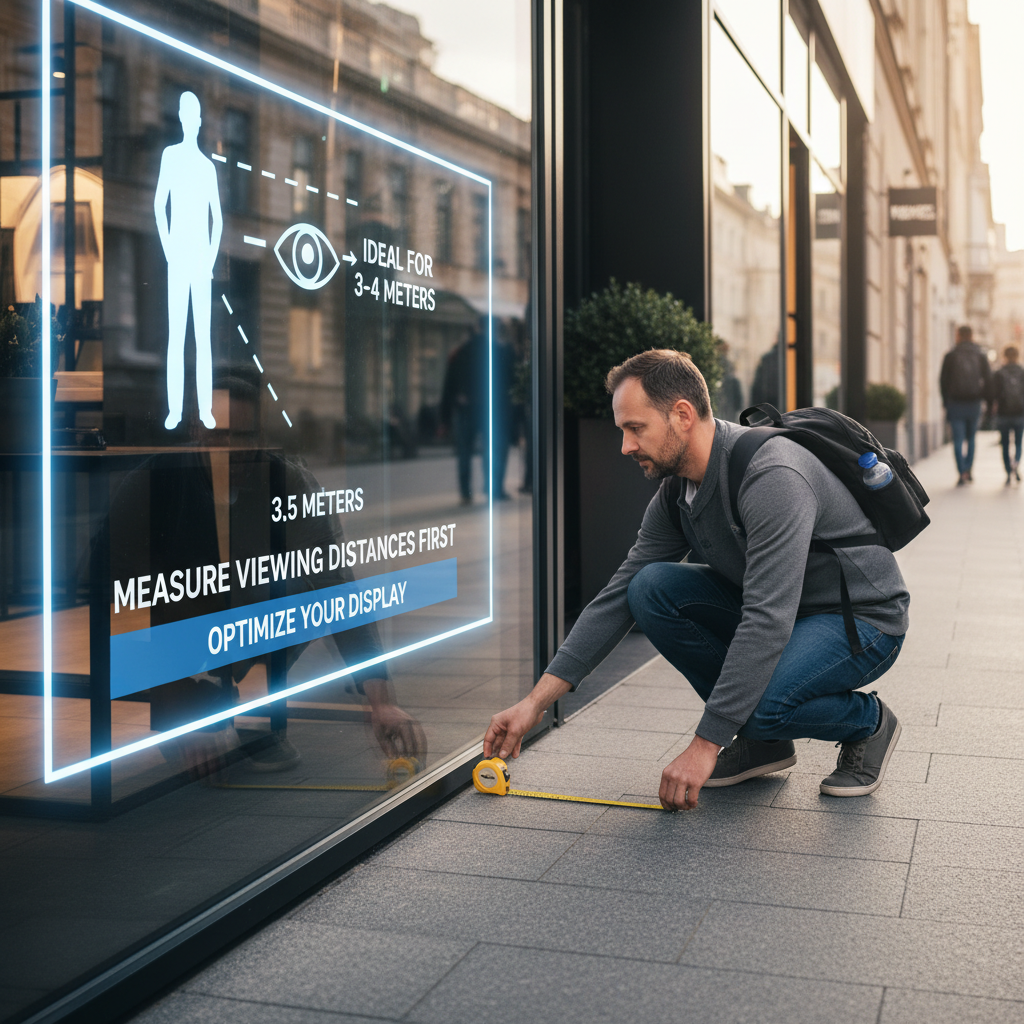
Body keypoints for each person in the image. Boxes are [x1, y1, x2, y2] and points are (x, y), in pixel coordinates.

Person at [484, 349, 910, 811]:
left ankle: (868, 723)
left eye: (635, 428)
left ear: (682, 415)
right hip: (787, 612)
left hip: (860, 620)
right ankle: (760, 741)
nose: (625, 446)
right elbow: (616, 597)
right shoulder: (677, 492)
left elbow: (767, 620)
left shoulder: (773, 476)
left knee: (766, 703)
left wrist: (706, 744)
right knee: (648, 588)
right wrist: (535, 702)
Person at [154, 91, 223, 431]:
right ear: (182, 118)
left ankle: (205, 409)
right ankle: (175, 411)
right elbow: (158, 205)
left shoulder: (207, 167)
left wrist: (208, 260)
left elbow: (218, 219)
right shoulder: (170, 157)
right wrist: (169, 251)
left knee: (202, 338)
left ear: (198, 121)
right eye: (186, 114)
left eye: (195, 116)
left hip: (198, 260)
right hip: (179, 257)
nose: (191, 121)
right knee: (176, 336)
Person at [939, 324, 992, 486]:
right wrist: (986, 401)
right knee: (971, 439)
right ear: (971, 335)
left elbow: (942, 380)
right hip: (974, 403)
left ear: (959, 336)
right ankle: (969, 470)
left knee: (958, 439)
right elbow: (988, 380)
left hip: (955, 403)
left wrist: (946, 401)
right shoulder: (980, 355)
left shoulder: (951, 355)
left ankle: (961, 471)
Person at [991, 345, 1024, 486]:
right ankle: (1016, 462)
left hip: (1003, 414)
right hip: (1020, 413)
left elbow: (993, 394)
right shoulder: (1022, 372)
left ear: (1005, 356)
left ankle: (1007, 470)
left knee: (1004, 444)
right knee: (1018, 442)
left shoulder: (999, 373)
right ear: (1017, 356)